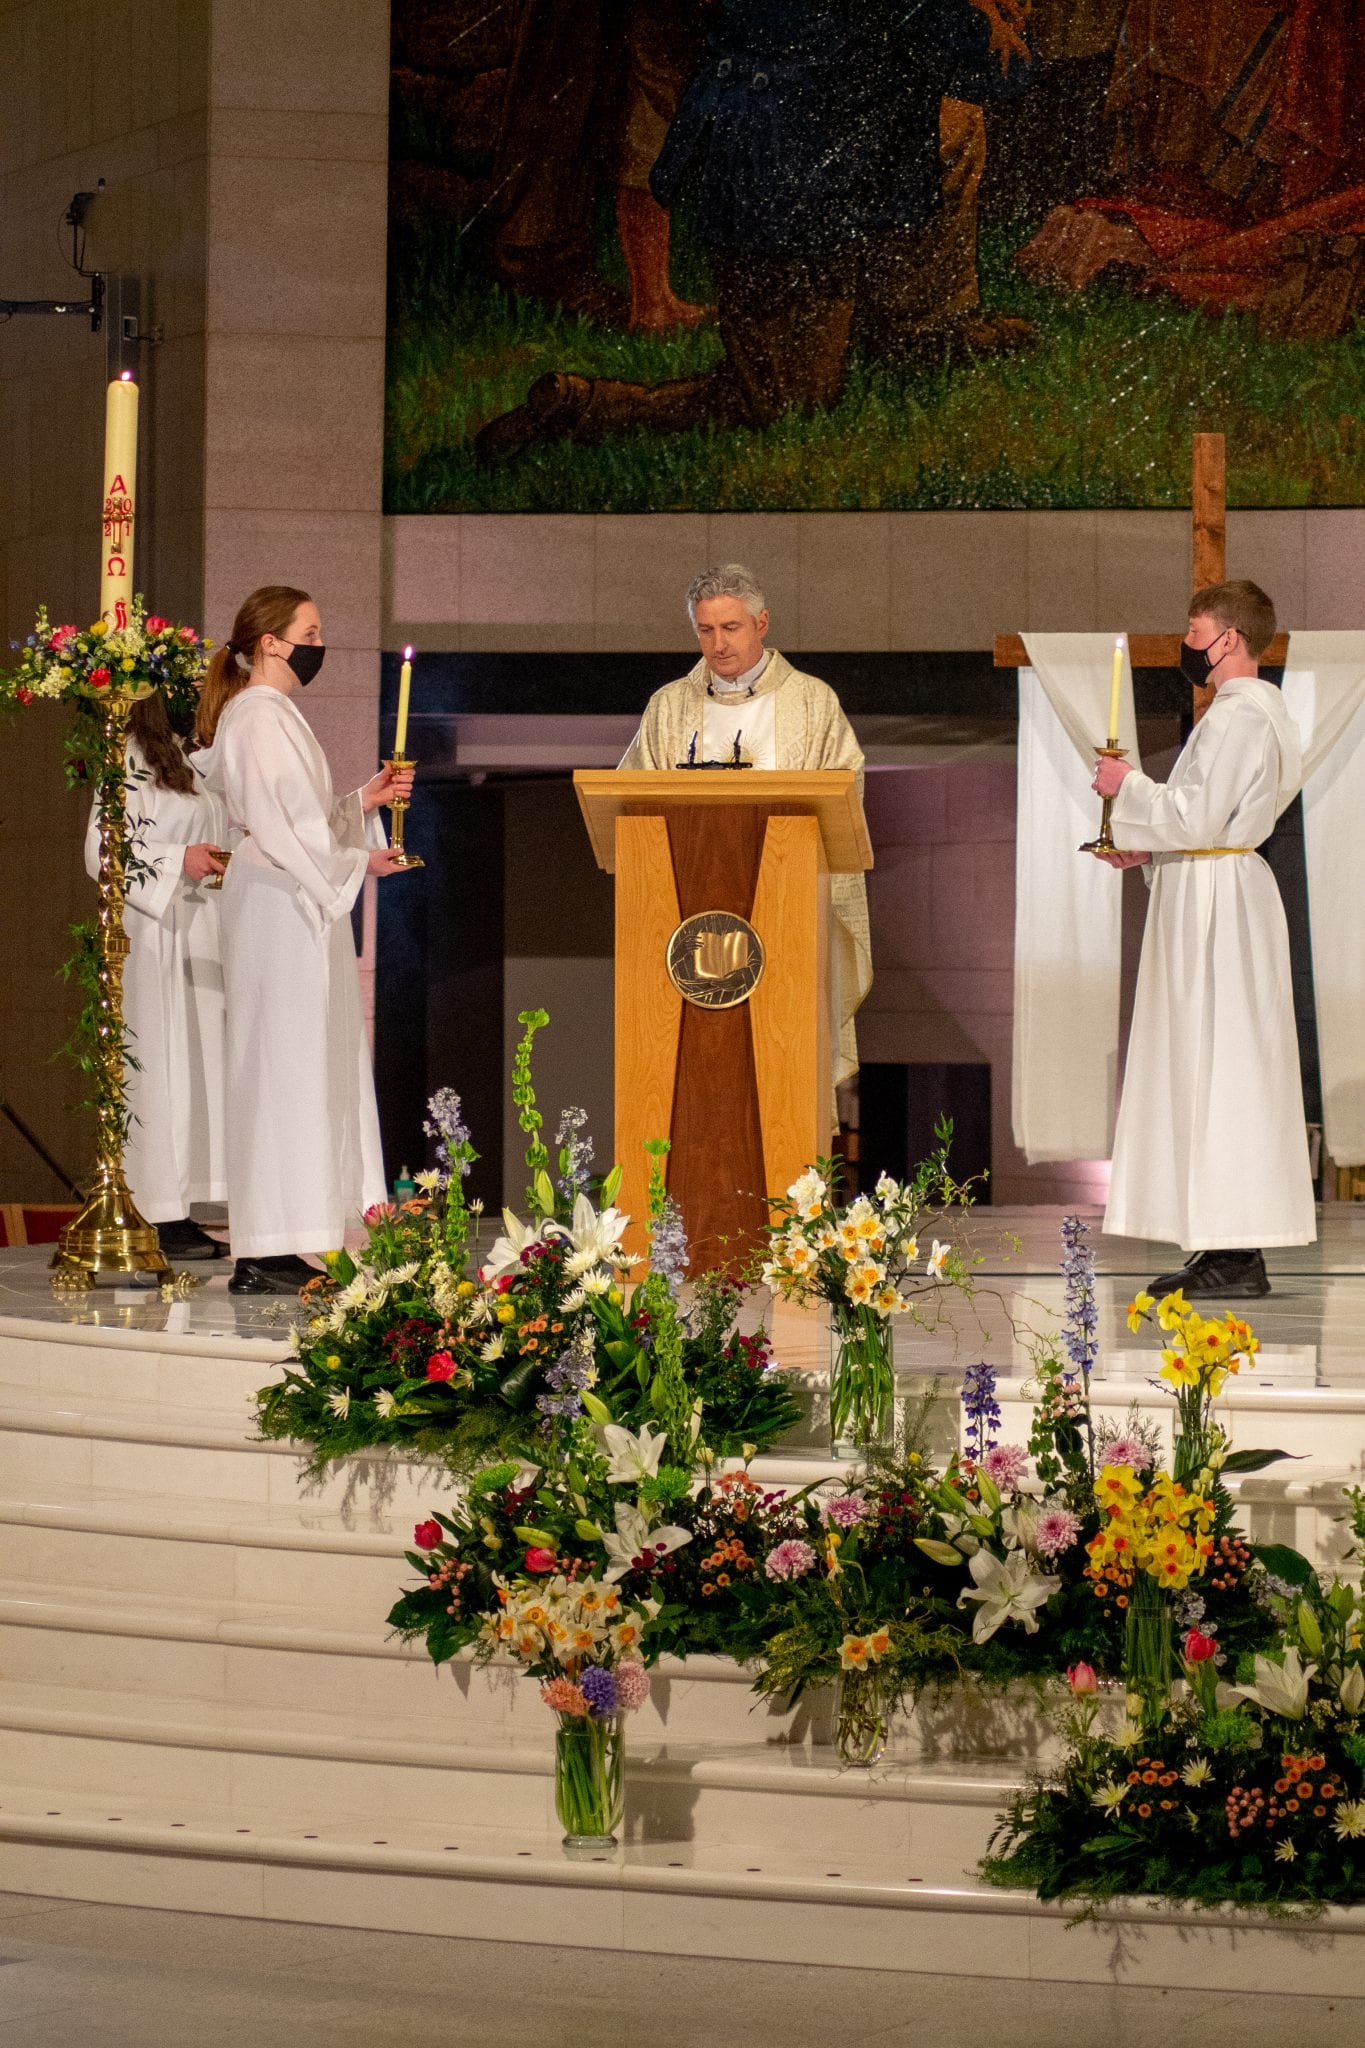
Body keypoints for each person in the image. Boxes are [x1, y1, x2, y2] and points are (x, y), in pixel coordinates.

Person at [475, 0, 1034, 459]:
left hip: (812, 167)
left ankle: (923, 330)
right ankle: (582, 406)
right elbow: (1001, 71)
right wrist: (993, 21)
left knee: (953, 125)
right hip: (783, 204)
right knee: (787, 404)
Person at [1091, 579, 1316, 1297]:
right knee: (1212, 1064)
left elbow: (1196, 816)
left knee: (1222, 1066)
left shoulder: (1235, 718)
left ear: (1230, 639)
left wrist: (1124, 785)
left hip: (1217, 905)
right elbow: (1202, 826)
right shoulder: (1250, 715)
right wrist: (1147, 851)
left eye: (1194, 633)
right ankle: (1222, 1241)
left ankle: (1236, 1251)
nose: (1185, 647)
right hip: (1213, 887)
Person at [196, 587, 413, 1295]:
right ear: (270, 642)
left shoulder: (274, 716)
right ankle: (264, 1247)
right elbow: (277, 826)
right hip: (278, 901)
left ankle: (288, 1236)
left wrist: (363, 802)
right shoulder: (256, 716)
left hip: (292, 899)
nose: (320, 643)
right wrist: (358, 860)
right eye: (310, 631)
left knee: (301, 1063)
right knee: (281, 1064)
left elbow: (302, 817)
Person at [620, 563, 871, 1090]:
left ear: (762, 623)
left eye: (731, 628)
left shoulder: (811, 701)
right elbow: (629, 802)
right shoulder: (668, 705)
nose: (718, 644)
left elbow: (844, 793)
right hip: (685, 917)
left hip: (788, 910)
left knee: (782, 1069)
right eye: (705, 630)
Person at [85, 690, 230, 1259]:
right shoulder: (127, 755)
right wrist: (177, 859)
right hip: (154, 933)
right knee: (157, 1065)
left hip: (199, 924)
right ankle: (151, 1207)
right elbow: (103, 847)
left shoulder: (188, 755)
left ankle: (180, 1205)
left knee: (194, 1067)